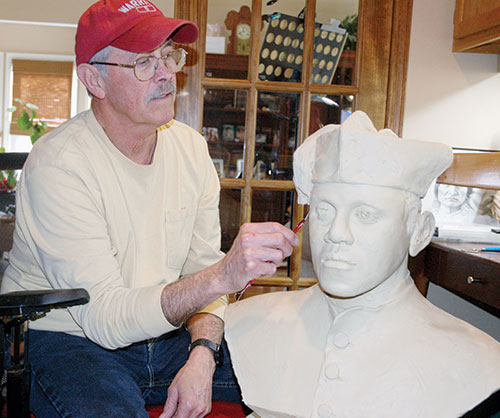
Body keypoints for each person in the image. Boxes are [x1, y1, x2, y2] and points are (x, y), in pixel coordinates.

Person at [0, 1, 299, 417]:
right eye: (144, 62)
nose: (166, 73)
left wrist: (202, 356)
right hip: (70, 340)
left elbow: (200, 277)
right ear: (94, 80)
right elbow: (105, 319)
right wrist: (222, 275)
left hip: (165, 336)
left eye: (168, 56)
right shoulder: (60, 164)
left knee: (297, 370)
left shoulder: (190, 148)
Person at [224, 111, 500, 418]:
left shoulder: (480, 363)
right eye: (324, 211)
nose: (336, 234)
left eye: (365, 214)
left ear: (418, 233)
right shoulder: (249, 322)